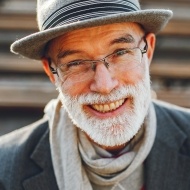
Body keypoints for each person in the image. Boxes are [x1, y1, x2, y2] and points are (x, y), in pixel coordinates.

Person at [0, 0, 190, 189]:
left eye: (121, 52)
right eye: (75, 63)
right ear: (51, 72)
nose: (104, 85)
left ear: (148, 51)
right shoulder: (6, 169)